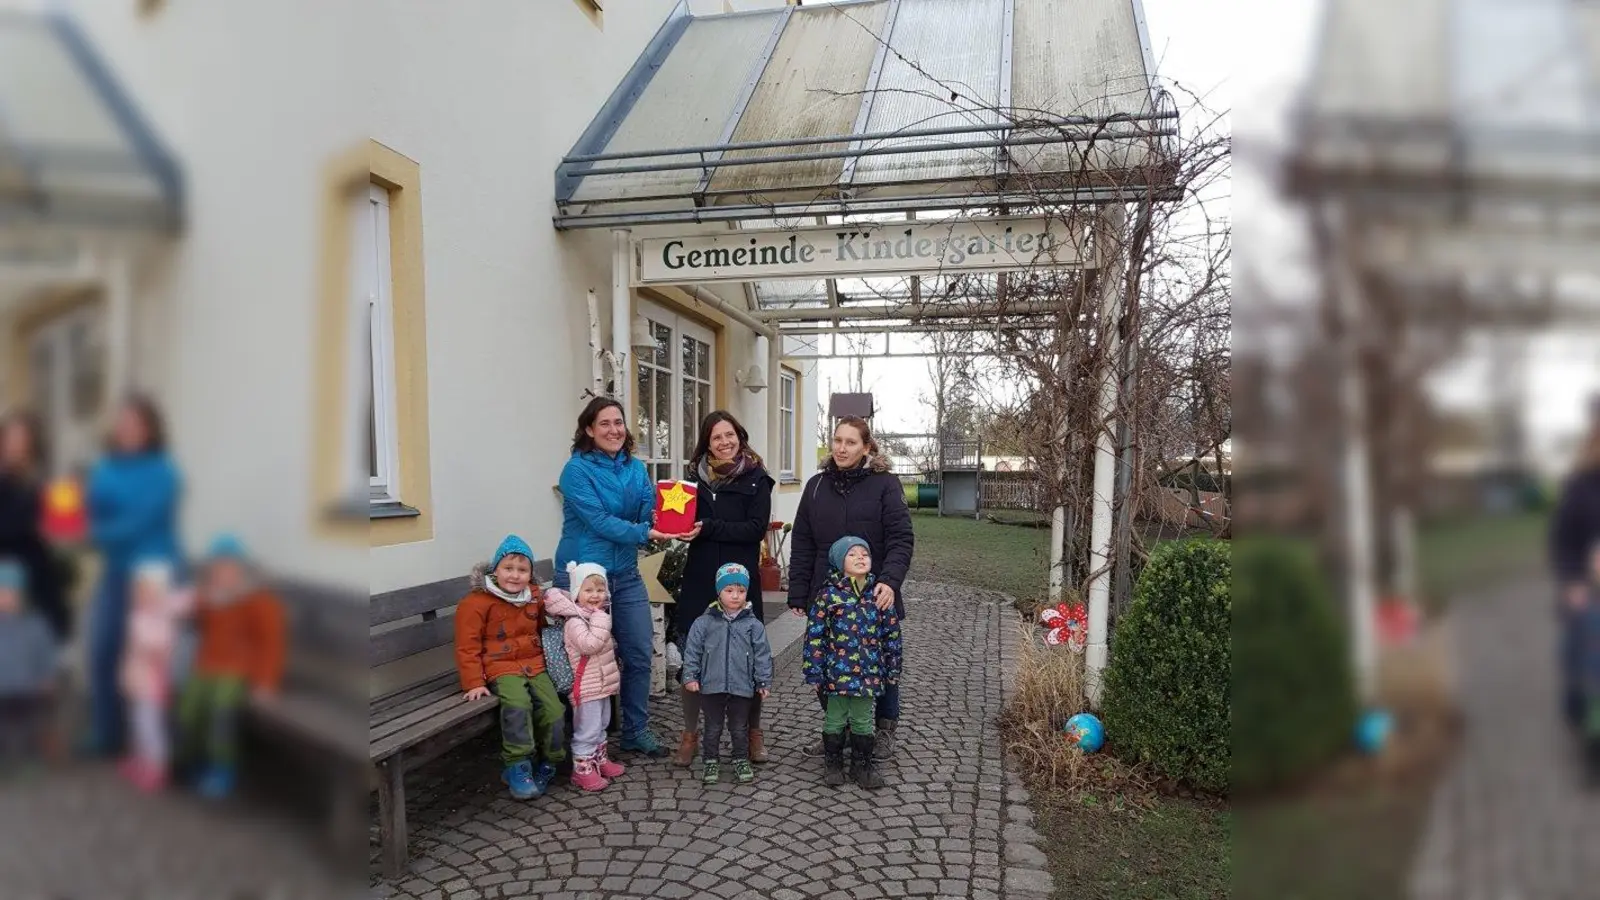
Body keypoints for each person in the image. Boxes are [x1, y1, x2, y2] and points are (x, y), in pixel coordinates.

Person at [556, 396, 685, 758]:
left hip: (625, 573)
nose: (614, 430)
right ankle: (578, 741)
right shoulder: (576, 471)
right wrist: (646, 533)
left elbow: (647, 511)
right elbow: (599, 521)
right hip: (583, 577)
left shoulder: (634, 467)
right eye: (604, 424)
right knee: (581, 658)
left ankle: (634, 730)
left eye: (619, 422)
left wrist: (672, 513)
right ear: (589, 430)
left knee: (640, 651)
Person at [787, 416, 914, 760]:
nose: (842, 448)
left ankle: (884, 728)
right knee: (828, 662)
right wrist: (798, 591)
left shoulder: (885, 484)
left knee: (882, 661)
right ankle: (837, 729)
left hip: (875, 593)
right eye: (837, 440)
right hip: (828, 594)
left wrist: (889, 581)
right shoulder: (815, 486)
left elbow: (901, 539)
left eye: (851, 442)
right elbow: (802, 542)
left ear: (867, 447)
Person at [672, 411, 774, 767]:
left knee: (750, 657)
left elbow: (754, 528)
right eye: (716, 437)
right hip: (700, 579)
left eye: (729, 435)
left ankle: (753, 734)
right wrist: (674, 527)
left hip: (739, 582)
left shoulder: (757, 478)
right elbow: (682, 522)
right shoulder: (691, 481)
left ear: (739, 436)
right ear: (707, 442)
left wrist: (710, 527)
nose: (724, 442)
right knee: (693, 658)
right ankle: (690, 735)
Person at [85, 395, 182, 757]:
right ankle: (106, 732)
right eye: (122, 422)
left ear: (150, 429)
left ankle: (153, 745)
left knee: (149, 661)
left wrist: (97, 532)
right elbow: (91, 510)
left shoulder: (164, 472)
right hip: (115, 571)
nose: (126, 428)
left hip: (153, 575)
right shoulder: (105, 469)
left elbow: (139, 522)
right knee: (103, 650)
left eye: (135, 423)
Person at [455, 535, 568, 800]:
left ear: (530, 574)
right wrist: (474, 682)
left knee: (554, 710)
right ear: (496, 569)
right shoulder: (476, 602)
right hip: (499, 666)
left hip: (534, 663)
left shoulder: (533, 597)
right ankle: (517, 765)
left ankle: (549, 761)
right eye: (508, 568)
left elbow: (544, 625)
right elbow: (466, 646)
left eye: (522, 570)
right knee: (518, 706)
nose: (515, 576)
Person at [176, 534, 285, 799]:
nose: (222, 572)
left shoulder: (257, 600)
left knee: (220, 709)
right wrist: (199, 601)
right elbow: (194, 618)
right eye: (217, 567)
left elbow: (271, 645)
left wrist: (265, 683)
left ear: (240, 568)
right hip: (206, 666)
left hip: (237, 670)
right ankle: (191, 761)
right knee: (189, 708)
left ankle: (222, 768)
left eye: (228, 566)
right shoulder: (211, 598)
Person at [804, 537, 901, 789]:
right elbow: (815, 636)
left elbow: (891, 635)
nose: (860, 558)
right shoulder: (828, 596)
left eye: (864, 554)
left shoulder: (879, 595)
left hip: (869, 674)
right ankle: (833, 762)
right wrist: (814, 672)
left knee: (863, 720)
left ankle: (862, 765)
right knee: (835, 718)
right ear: (839, 562)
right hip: (836, 674)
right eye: (852, 554)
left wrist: (892, 668)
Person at [681, 563, 773, 786]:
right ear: (718, 591)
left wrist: (762, 680)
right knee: (712, 727)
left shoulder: (753, 624)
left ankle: (740, 759)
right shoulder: (704, 623)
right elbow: (693, 651)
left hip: (742, 686)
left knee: (739, 727)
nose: (735, 596)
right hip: (711, 685)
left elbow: (762, 654)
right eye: (729, 591)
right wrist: (690, 676)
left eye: (741, 591)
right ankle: (710, 759)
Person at [543, 561, 626, 793]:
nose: (595, 595)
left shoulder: (593, 616)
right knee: (586, 729)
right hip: (585, 685)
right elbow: (589, 645)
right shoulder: (575, 621)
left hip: (601, 683)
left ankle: (599, 760)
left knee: (601, 724)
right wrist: (601, 619)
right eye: (588, 590)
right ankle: (581, 771)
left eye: (600, 590)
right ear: (577, 592)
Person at [117, 559, 192, 792]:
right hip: (137, 676)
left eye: (146, 591)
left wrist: (147, 651)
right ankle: (142, 759)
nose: (140, 595)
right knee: (137, 721)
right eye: (138, 590)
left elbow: (161, 648)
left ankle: (157, 766)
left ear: (158, 593)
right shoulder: (139, 614)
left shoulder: (161, 616)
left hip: (152, 679)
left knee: (150, 724)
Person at [0, 411, 68, 643]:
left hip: (38, 581)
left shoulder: (40, 484)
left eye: (21, 439)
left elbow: (57, 535)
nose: (14, 446)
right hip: (8, 581)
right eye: (11, 439)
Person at [1555, 399, 1600, 732]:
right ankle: (1587, 720)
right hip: (1587, 589)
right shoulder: (1580, 485)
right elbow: (1561, 543)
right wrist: (1575, 581)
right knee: (1588, 626)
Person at [0, 558, 58, 772]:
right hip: (2, 688)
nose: (5, 598)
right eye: (1, 593)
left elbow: (46, 653)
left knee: (31, 727)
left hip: (29, 688)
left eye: (10, 593)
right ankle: (5, 760)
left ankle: (31, 760)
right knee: (3, 729)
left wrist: (48, 677)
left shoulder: (35, 624)